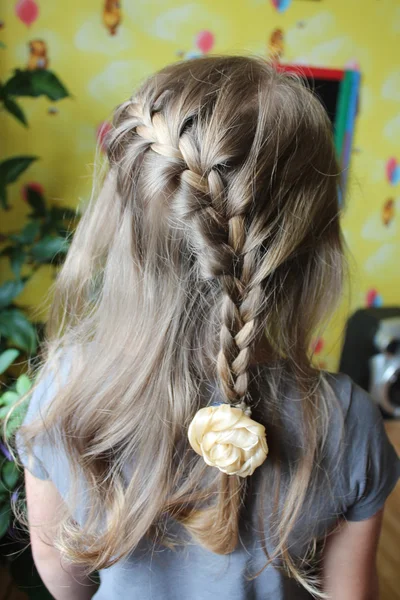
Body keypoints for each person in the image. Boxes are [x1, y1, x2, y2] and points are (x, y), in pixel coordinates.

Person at [14, 56, 399, 600]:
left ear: (126, 235)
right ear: (314, 246)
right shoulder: (347, 420)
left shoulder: (66, 389)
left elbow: (56, 563)